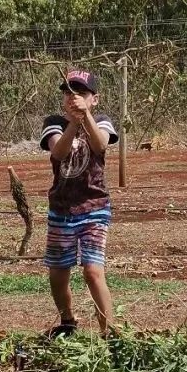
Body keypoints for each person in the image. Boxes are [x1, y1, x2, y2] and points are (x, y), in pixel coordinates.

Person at [39, 69, 119, 337]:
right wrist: (73, 123)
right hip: (61, 209)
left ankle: (109, 331)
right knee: (59, 273)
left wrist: (85, 118)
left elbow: (101, 146)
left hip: (94, 207)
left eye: (81, 94)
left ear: (94, 99)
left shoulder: (103, 121)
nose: (74, 99)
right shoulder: (54, 123)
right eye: (68, 94)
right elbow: (59, 152)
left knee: (93, 271)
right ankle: (68, 321)